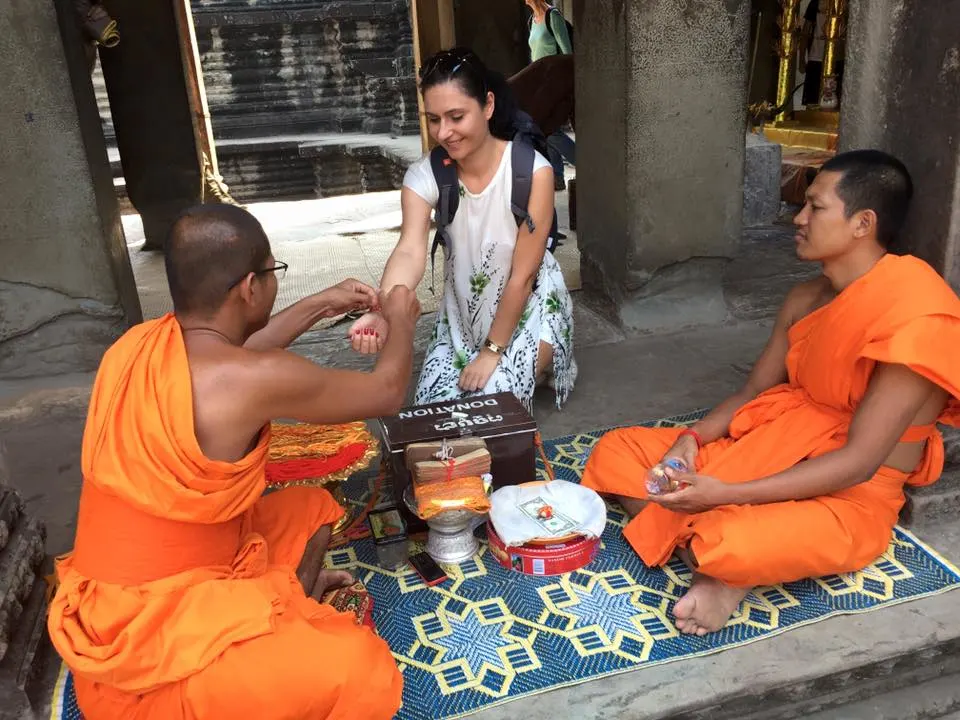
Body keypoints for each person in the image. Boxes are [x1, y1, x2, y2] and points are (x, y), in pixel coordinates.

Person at [46, 205, 415, 719]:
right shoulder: (249, 380)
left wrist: (320, 303)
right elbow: (387, 391)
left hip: (109, 615)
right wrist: (401, 319)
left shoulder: (135, 348)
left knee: (311, 510)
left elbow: (240, 356)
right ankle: (273, 633)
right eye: (272, 273)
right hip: (145, 665)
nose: (272, 284)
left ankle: (278, 612)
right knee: (357, 667)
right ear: (249, 287)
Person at [581, 150, 960, 636]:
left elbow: (858, 461)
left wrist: (727, 493)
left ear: (863, 223)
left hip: (848, 494)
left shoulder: (915, 312)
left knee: (734, 538)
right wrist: (691, 441)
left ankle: (726, 564)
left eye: (815, 208)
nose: (798, 220)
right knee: (618, 451)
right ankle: (714, 555)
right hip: (769, 447)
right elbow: (755, 390)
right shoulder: (805, 298)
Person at [349, 48, 577, 410]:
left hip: (529, 308)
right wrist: (385, 308)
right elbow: (409, 250)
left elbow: (524, 274)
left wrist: (492, 352)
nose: (445, 132)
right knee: (431, 412)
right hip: (463, 317)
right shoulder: (425, 175)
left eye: (456, 116)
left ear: (487, 106)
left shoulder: (533, 171)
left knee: (491, 407)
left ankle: (548, 354)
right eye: (434, 119)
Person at [524, 0, 575, 190]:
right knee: (547, 129)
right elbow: (534, 54)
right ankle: (558, 177)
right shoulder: (532, 20)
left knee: (547, 130)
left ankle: (584, 162)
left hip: (553, 83)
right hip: (538, 83)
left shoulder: (552, 17)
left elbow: (567, 53)